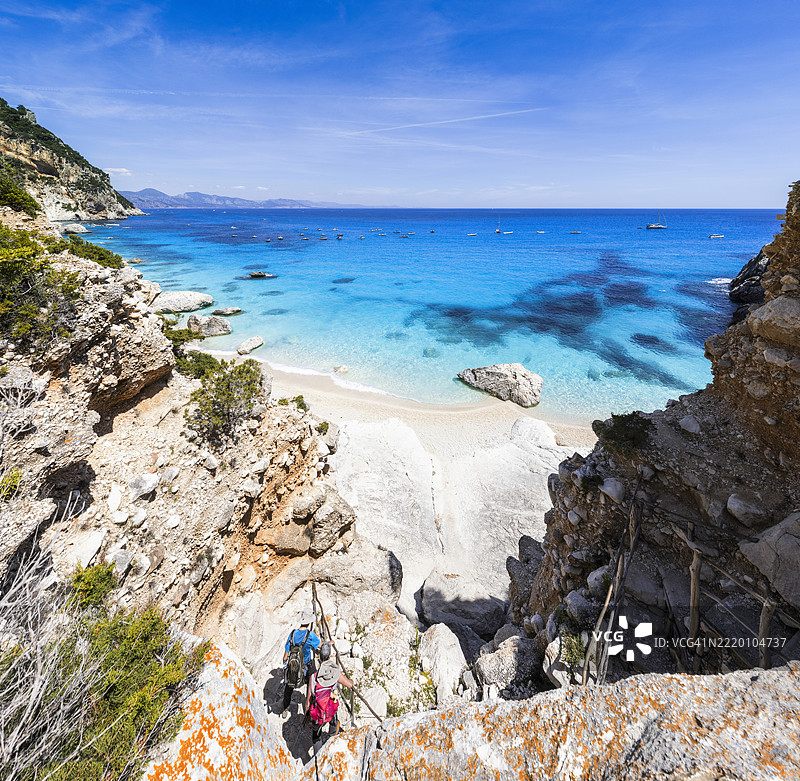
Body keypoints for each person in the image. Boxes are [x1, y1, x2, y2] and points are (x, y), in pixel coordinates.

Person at [306, 641, 353, 745]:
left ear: (319, 657)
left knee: (316, 734)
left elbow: (308, 700)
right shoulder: (335, 674)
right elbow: (349, 685)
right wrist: (352, 681)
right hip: (330, 708)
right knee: (334, 718)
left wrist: (307, 713)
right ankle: (332, 737)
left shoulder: (313, 677)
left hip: (318, 709)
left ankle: (317, 756)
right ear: (330, 657)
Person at [281, 611, 321, 714]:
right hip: (306, 664)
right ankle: (308, 708)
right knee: (311, 682)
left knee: (288, 688)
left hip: (294, 664)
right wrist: (329, 643)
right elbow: (319, 645)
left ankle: (285, 708)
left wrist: (285, 663)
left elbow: (285, 655)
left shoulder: (293, 633)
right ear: (309, 622)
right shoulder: (310, 635)